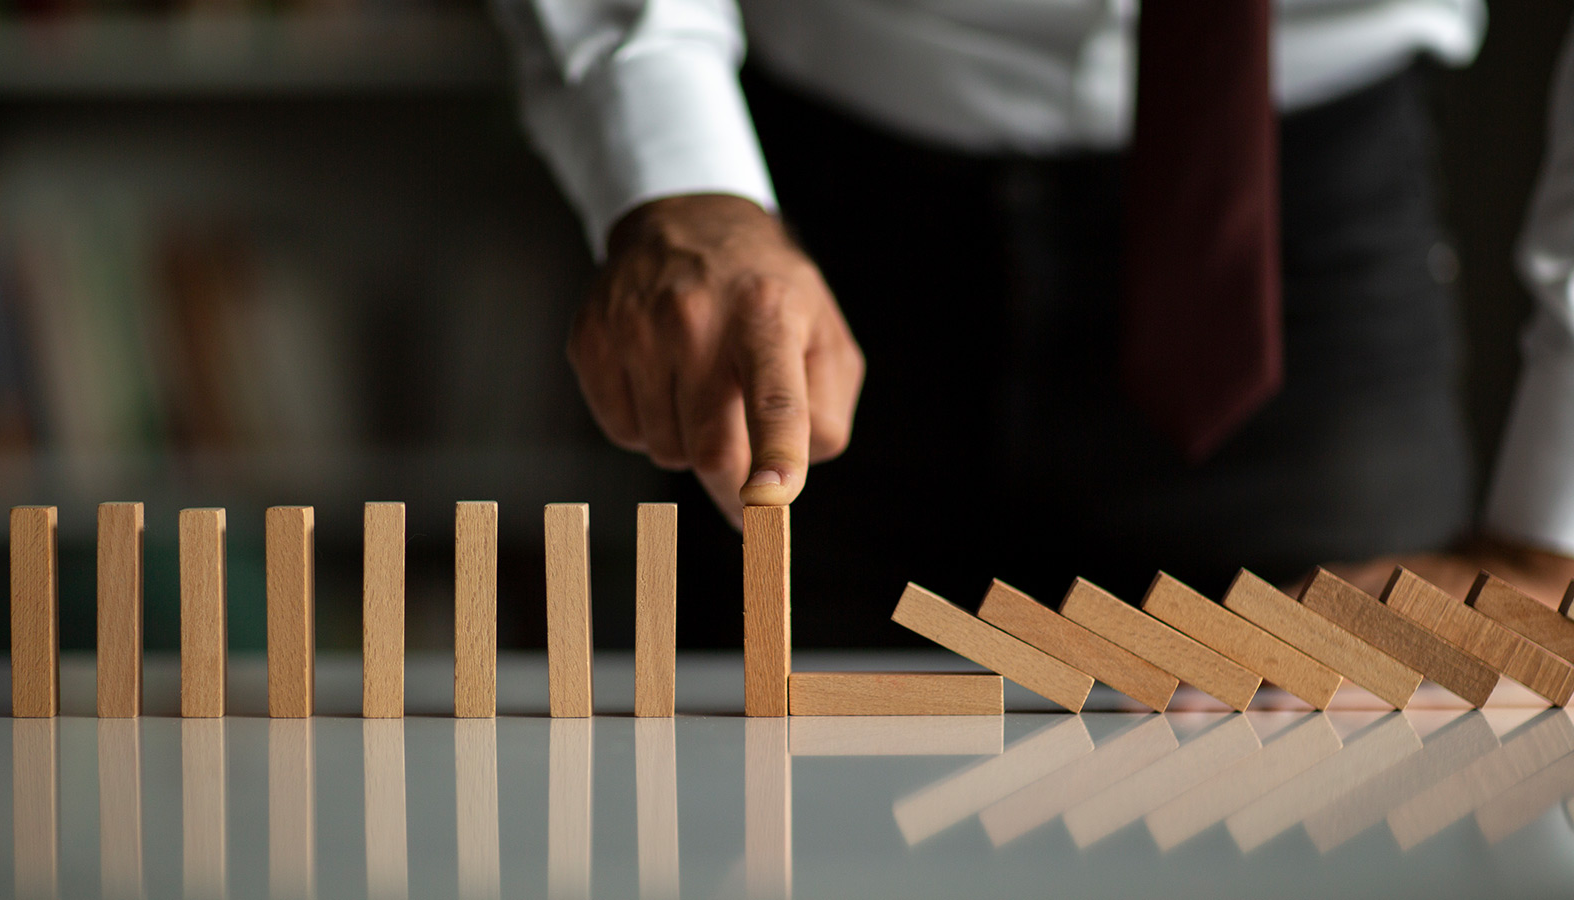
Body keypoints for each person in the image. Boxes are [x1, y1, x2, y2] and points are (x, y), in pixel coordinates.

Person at [501, 0, 1574, 640]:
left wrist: (1550, 534)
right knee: (758, 834)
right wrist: (674, 162)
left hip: (1294, 233)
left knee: (1335, 817)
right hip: (813, 205)